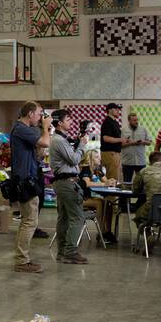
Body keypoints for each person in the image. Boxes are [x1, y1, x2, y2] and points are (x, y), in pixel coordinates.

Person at [8, 102, 51, 273]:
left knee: (28, 220)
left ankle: (22, 258)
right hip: (24, 181)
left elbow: (40, 149)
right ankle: (22, 260)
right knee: (29, 221)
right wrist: (46, 128)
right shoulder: (21, 128)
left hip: (28, 178)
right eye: (40, 114)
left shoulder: (23, 130)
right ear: (31, 113)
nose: (41, 118)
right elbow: (45, 142)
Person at [48, 109, 89, 265]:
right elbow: (73, 159)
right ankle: (70, 252)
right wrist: (82, 145)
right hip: (67, 182)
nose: (71, 122)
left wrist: (77, 142)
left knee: (64, 218)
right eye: (68, 119)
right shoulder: (58, 140)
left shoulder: (60, 139)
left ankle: (62, 252)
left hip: (62, 182)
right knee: (77, 217)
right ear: (60, 123)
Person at [120, 111, 151, 183]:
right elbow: (120, 144)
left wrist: (142, 141)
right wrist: (131, 143)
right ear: (129, 121)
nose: (136, 122)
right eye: (134, 120)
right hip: (127, 161)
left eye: (137, 120)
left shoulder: (143, 129)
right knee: (126, 182)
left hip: (140, 161)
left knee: (141, 182)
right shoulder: (123, 130)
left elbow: (149, 142)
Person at [99, 103, 124, 184]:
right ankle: (111, 196)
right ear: (109, 110)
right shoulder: (107, 122)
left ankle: (114, 196)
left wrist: (123, 141)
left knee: (116, 177)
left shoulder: (114, 122)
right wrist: (121, 139)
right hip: (110, 153)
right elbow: (106, 138)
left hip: (115, 153)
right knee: (112, 178)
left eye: (118, 109)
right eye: (115, 109)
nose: (118, 110)